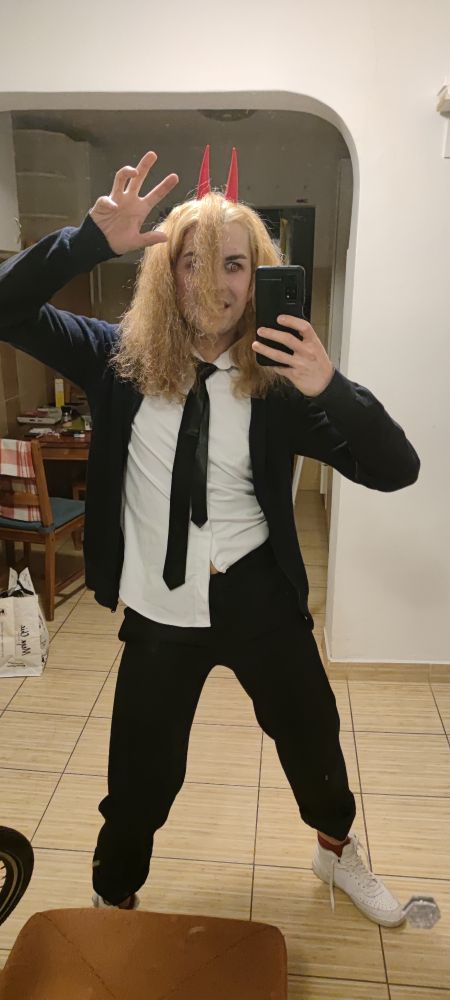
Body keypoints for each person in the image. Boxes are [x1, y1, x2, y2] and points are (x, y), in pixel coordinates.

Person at [0, 146, 420, 927]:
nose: (213, 283)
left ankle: (336, 854)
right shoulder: (116, 362)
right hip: (161, 609)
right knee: (138, 781)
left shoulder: (282, 383)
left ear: (257, 277)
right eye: (191, 262)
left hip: (260, 598)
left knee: (315, 747)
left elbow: (397, 468)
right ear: (166, 274)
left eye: (233, 264)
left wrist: (332, 386)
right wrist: (85, 242)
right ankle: (114, 896)